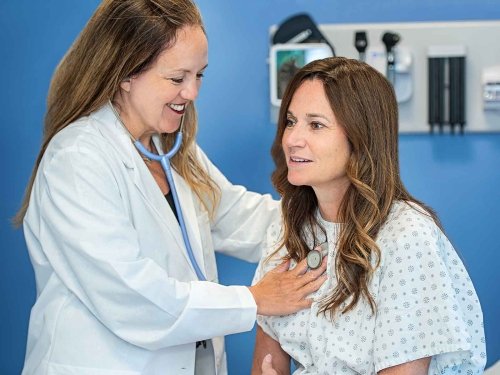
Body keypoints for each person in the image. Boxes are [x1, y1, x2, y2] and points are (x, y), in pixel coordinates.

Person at [14, 1, 328, 374]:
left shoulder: (169, 146)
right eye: (178, 78)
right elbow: (130, 296)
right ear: (126, 73)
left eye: (200, 76)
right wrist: (254, 299)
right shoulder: (77, 159)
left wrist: (335, 217)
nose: (192, 92)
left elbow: (237, 216)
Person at [252, 57, 486, 375]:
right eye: (291, 121)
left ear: (360, 138)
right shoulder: (289, 224)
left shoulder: (406, 237)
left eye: (316, 125)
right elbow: (267, 363)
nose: (292, 139)